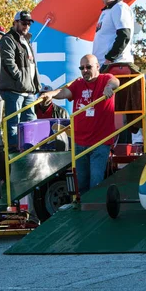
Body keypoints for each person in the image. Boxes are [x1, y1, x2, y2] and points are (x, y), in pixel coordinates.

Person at [40, 54, 120, 194]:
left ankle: (95, 213)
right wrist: (50, 94)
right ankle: (84, 210)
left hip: (99, 143)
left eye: (88, 67)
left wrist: (109, 87)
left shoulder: (105, 79)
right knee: (81, 185)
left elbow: (115, 81)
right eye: (81, 67)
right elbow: (64, 92)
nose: (84, 70)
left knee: (95, 183)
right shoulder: (78, 83)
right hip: (79, 142)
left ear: (97, 66)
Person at [92, 0, 141, 139]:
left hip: (117, 65)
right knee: (107, 109)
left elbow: (124, 34)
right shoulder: (106, 11)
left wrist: (109, 58)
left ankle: (121, 143)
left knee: (117, 108)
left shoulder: (120, 8)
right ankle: (112, 142)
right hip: (105, 66)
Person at [0, 11, 41, 151]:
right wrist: (21, 79)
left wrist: (36, 84)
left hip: (28, 90)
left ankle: (29, 149)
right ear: (15, 23)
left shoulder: (27, 40)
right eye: (23, 23)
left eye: (29, 23)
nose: (26, 26)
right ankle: (12, 152)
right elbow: (9, 62)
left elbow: (32, 65)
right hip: (14, 89)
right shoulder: (7, 39)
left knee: (30, 121)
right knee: (13, 123)